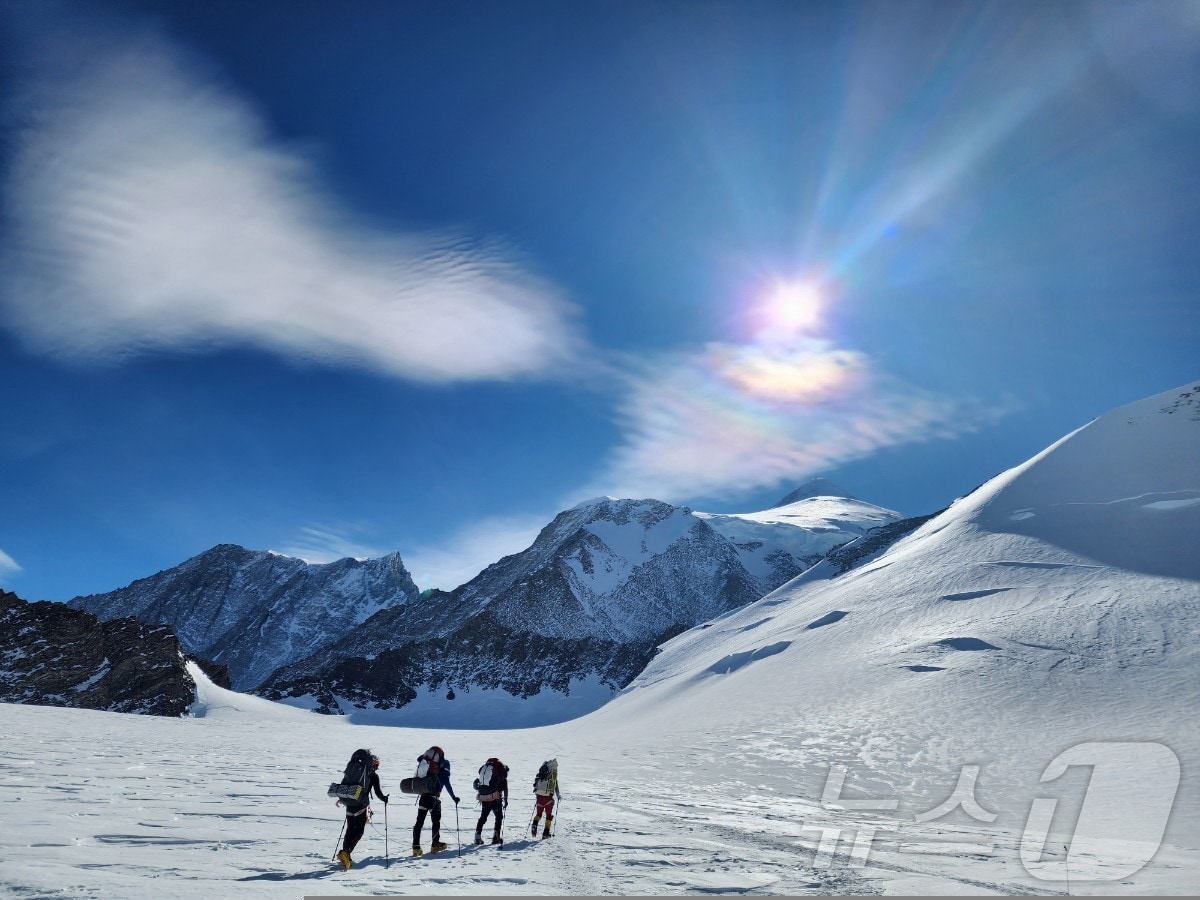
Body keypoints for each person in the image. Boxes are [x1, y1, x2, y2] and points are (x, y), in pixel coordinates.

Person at [336, 752, 388, 870]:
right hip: (360, 805)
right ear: (372, 764)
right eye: (376, 764)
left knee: (350, 829)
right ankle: (346, 853)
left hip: (348, 802)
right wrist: (385, 799)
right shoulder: (373, 776)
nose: (377, 767)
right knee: (359, 832)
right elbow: (378, 793)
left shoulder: (353, 771)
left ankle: (346, 855)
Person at [412, 747, 460, 856]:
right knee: (436, 822)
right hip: (434, 799)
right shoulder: (443, 770)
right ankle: (435, 844)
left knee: (419, 823)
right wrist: (454, 797)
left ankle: (416, 847)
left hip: (423, 797)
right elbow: (447, 784)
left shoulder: (428, 766)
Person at [473, 758, 510, 846]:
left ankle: (477, 837)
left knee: (483, 816)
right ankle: (496, 838)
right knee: (498, 817)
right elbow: (505, 789)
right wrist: (506, 801)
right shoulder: (501, 775)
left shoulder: (487, 771)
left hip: (484, 797)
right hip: (495, 798)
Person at [531, 758, 561, 839]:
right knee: (548, 815)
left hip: (539, 797)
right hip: (548, 798)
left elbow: (536, 782)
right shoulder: (553, 772)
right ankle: (546, 832)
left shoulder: (543, 769)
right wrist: (558, 795)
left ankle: (535, 823)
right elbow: (555, 784)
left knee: (539, 814)